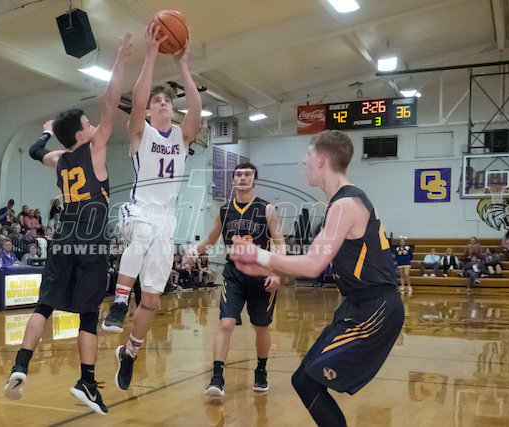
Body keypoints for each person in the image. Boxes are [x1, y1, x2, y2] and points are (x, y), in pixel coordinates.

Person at [230, 130, 404, 427]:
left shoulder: (345, 205)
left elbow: (312, 265)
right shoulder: (341, 203)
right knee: (303, 380)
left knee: (308, 382)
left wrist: (259, 255)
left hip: (374, 309)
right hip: (359, 306)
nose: (304, 162)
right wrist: (265, 268)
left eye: (308, 156)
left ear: (322, 160)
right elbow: (313, 262)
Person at [3, 33, 131, 416]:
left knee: (44, 305)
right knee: (88, 314)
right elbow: (111, 103)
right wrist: (120, 61)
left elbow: (34, 150)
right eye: (89, 124)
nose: (94, 126)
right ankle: (87, 381)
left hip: (62, 239)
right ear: (81, 134)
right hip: (90, 241)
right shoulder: (95, 149)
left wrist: (46, 130)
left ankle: (21, 366)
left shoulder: (59, 159)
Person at [101, 25, 202, 394]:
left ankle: (129, 352)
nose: (162, 104)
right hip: (138, 209)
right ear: (147, 111)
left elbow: (197, 110)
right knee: (141, 235)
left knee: (153, 300)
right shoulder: (140, 134)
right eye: (157, 101)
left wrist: (183, 65)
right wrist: (150, 55)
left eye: (167, 102)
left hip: (167, 220)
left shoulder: (181, 137)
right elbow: (139, 98)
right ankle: (119, 301)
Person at [183, 163, 286, 396]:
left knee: (261, 327)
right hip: (234, 275)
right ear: (233, 180)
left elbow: (280, 243)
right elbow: (210, 239)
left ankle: (261, 370)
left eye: (248, 174)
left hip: (261, 275)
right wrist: (195, 251)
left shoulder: (267, 209)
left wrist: (276, 272)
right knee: (226, 323)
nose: (242, 178)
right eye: (238, 174)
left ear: (254, 180)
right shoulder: (225, 210)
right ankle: (217, 377)